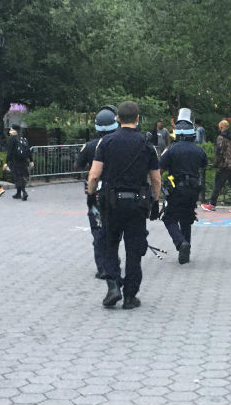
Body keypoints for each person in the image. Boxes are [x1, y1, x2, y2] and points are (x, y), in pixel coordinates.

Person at [87, 101, 161, 309]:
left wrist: (91, 195)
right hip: (138, 204)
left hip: (111, 203)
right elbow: (155, 179)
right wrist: (155, 201)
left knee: (110, 245)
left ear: (117, 119)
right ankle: (130, 295)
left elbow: (94, 175)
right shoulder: (147, 144)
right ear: (138, 118)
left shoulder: (106, 142)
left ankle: (113, 286)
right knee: (134, 249)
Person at [74, 106, 118, 279]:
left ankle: (102, 267)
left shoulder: (90, 146)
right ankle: (114, 262)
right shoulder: (120, 143)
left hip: (96, 193)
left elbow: (77, 166)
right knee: (114, 229)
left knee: (98, 229)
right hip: (116, 192)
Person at [159, 109, 208, 264]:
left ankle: (181, 243)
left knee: (169, 217)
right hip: (193, 190)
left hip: (176, 189)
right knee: (187, 218)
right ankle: (185, 252)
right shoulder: (198, 149)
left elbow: (159, 169)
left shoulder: (171, 149)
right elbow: (204, 164)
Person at [202, 120, 231, 213]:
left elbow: (219, 152)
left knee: (217, 185)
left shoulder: (221, 137)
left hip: (224, 165)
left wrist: (216, 164)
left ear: (221, 127)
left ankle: (212, 204)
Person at [5, 124, 34, 201]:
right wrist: (31, 161)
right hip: (24, 161)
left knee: (18, 177)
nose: (10, 131)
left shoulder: (13, 139)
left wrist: (6, 162)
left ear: (15, 131)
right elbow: (28, 150)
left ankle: (24, 192)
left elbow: (9, 152)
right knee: (21, 176)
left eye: (11, 129)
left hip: (15, 161)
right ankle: (18, 193)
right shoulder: (23, 138)